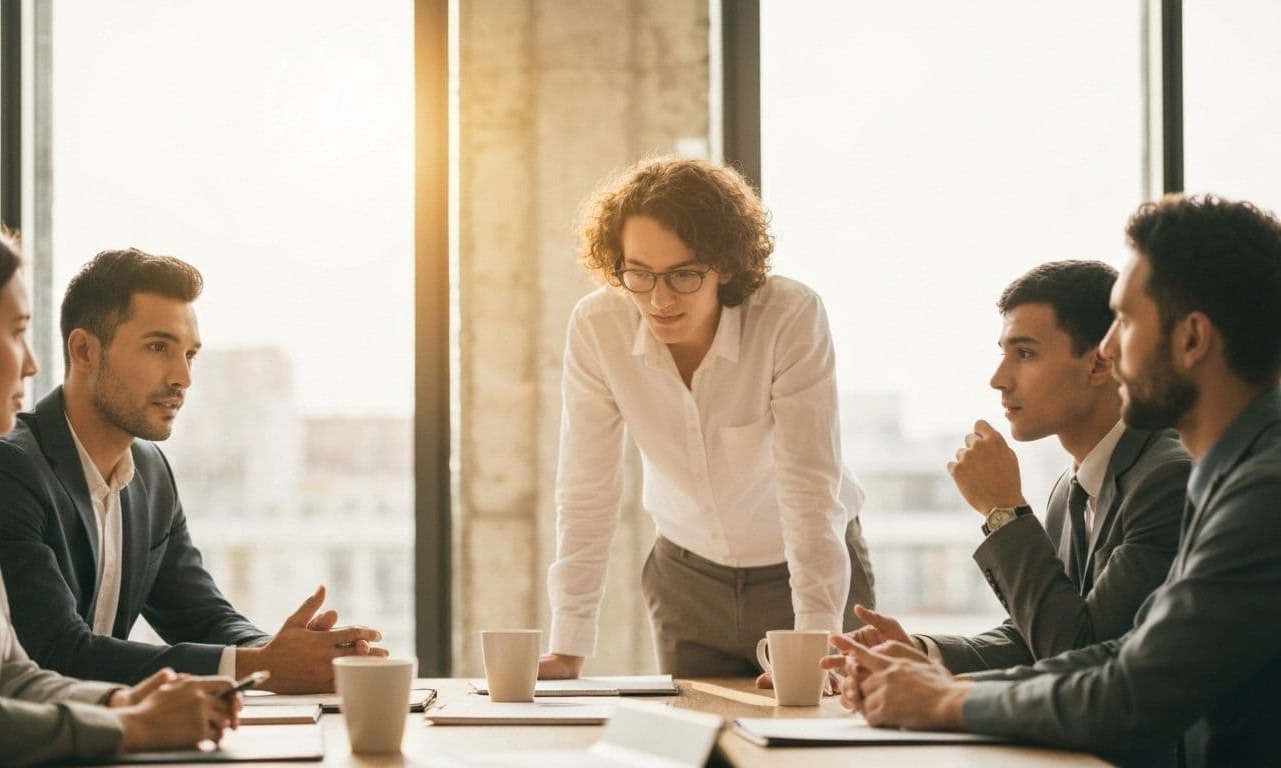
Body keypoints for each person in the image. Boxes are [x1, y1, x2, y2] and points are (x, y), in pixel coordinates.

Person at [830, 194, 1281, 766]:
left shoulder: (1260, 493)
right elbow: (1123, 655)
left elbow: (1128, 691)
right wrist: (933, 671)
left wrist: (948, 702)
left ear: (1192, 339)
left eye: (1126, 320)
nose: (1110, 350)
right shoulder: (1229, 477)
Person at [0, 213, 241, 766]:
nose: (32, 363)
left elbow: (11, 674)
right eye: (17, 332)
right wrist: (130, 727)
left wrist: (125, 702)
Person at [0, 248, 385, 695]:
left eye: (190, 354)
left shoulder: (149, 471)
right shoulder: (3, 470)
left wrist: (289, 654)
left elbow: (201, 616)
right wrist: (264, 665)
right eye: (158, 347)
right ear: (84, 350)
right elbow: (55, 654)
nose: (183, 376)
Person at [540, 156, 875, 680]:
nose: (660, 298)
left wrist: (815, 638)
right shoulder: (597, 327)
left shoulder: (789, 317)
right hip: (686, 584)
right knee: (695, 748)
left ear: (726, 264)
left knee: (820, 746)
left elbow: (810, 488)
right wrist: (568, 644)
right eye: (640, 274)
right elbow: (586, 488)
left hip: (810, 574)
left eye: (684, 274)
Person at [842, 261, 1189, 673]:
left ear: (1098, 364)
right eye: (1003, 354)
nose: (998, 378)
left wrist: (1004, 510)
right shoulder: (1072, 488)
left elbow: (1082, 655)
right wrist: (919, 652)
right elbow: (1037, 636)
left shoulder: (1168, 481)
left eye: (1024, 354)